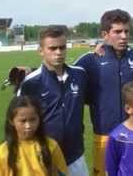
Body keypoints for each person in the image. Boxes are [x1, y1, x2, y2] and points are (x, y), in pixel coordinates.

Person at [74, 9, 133, 176]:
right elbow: (64, 74)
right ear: (105, 34)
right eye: (117, 31)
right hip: (104, 135)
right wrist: (29, 71)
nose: (123, 36)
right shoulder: (91, 59)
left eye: (126, 31)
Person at [17, 26, 89, 176]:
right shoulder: (30, 83)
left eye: (62, 47)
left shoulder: (80, 75)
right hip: (44, 156)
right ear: (41, 51)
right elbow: (18, 120)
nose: (58, 52)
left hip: (76, 155)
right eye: (52, 48)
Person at [0, 96, 68, 176]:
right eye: (23, 121)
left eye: (33, 120)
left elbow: (62, 173)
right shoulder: (2, 153)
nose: (28, 126)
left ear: (39, 119)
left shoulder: (51, 146)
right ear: (12, 121)